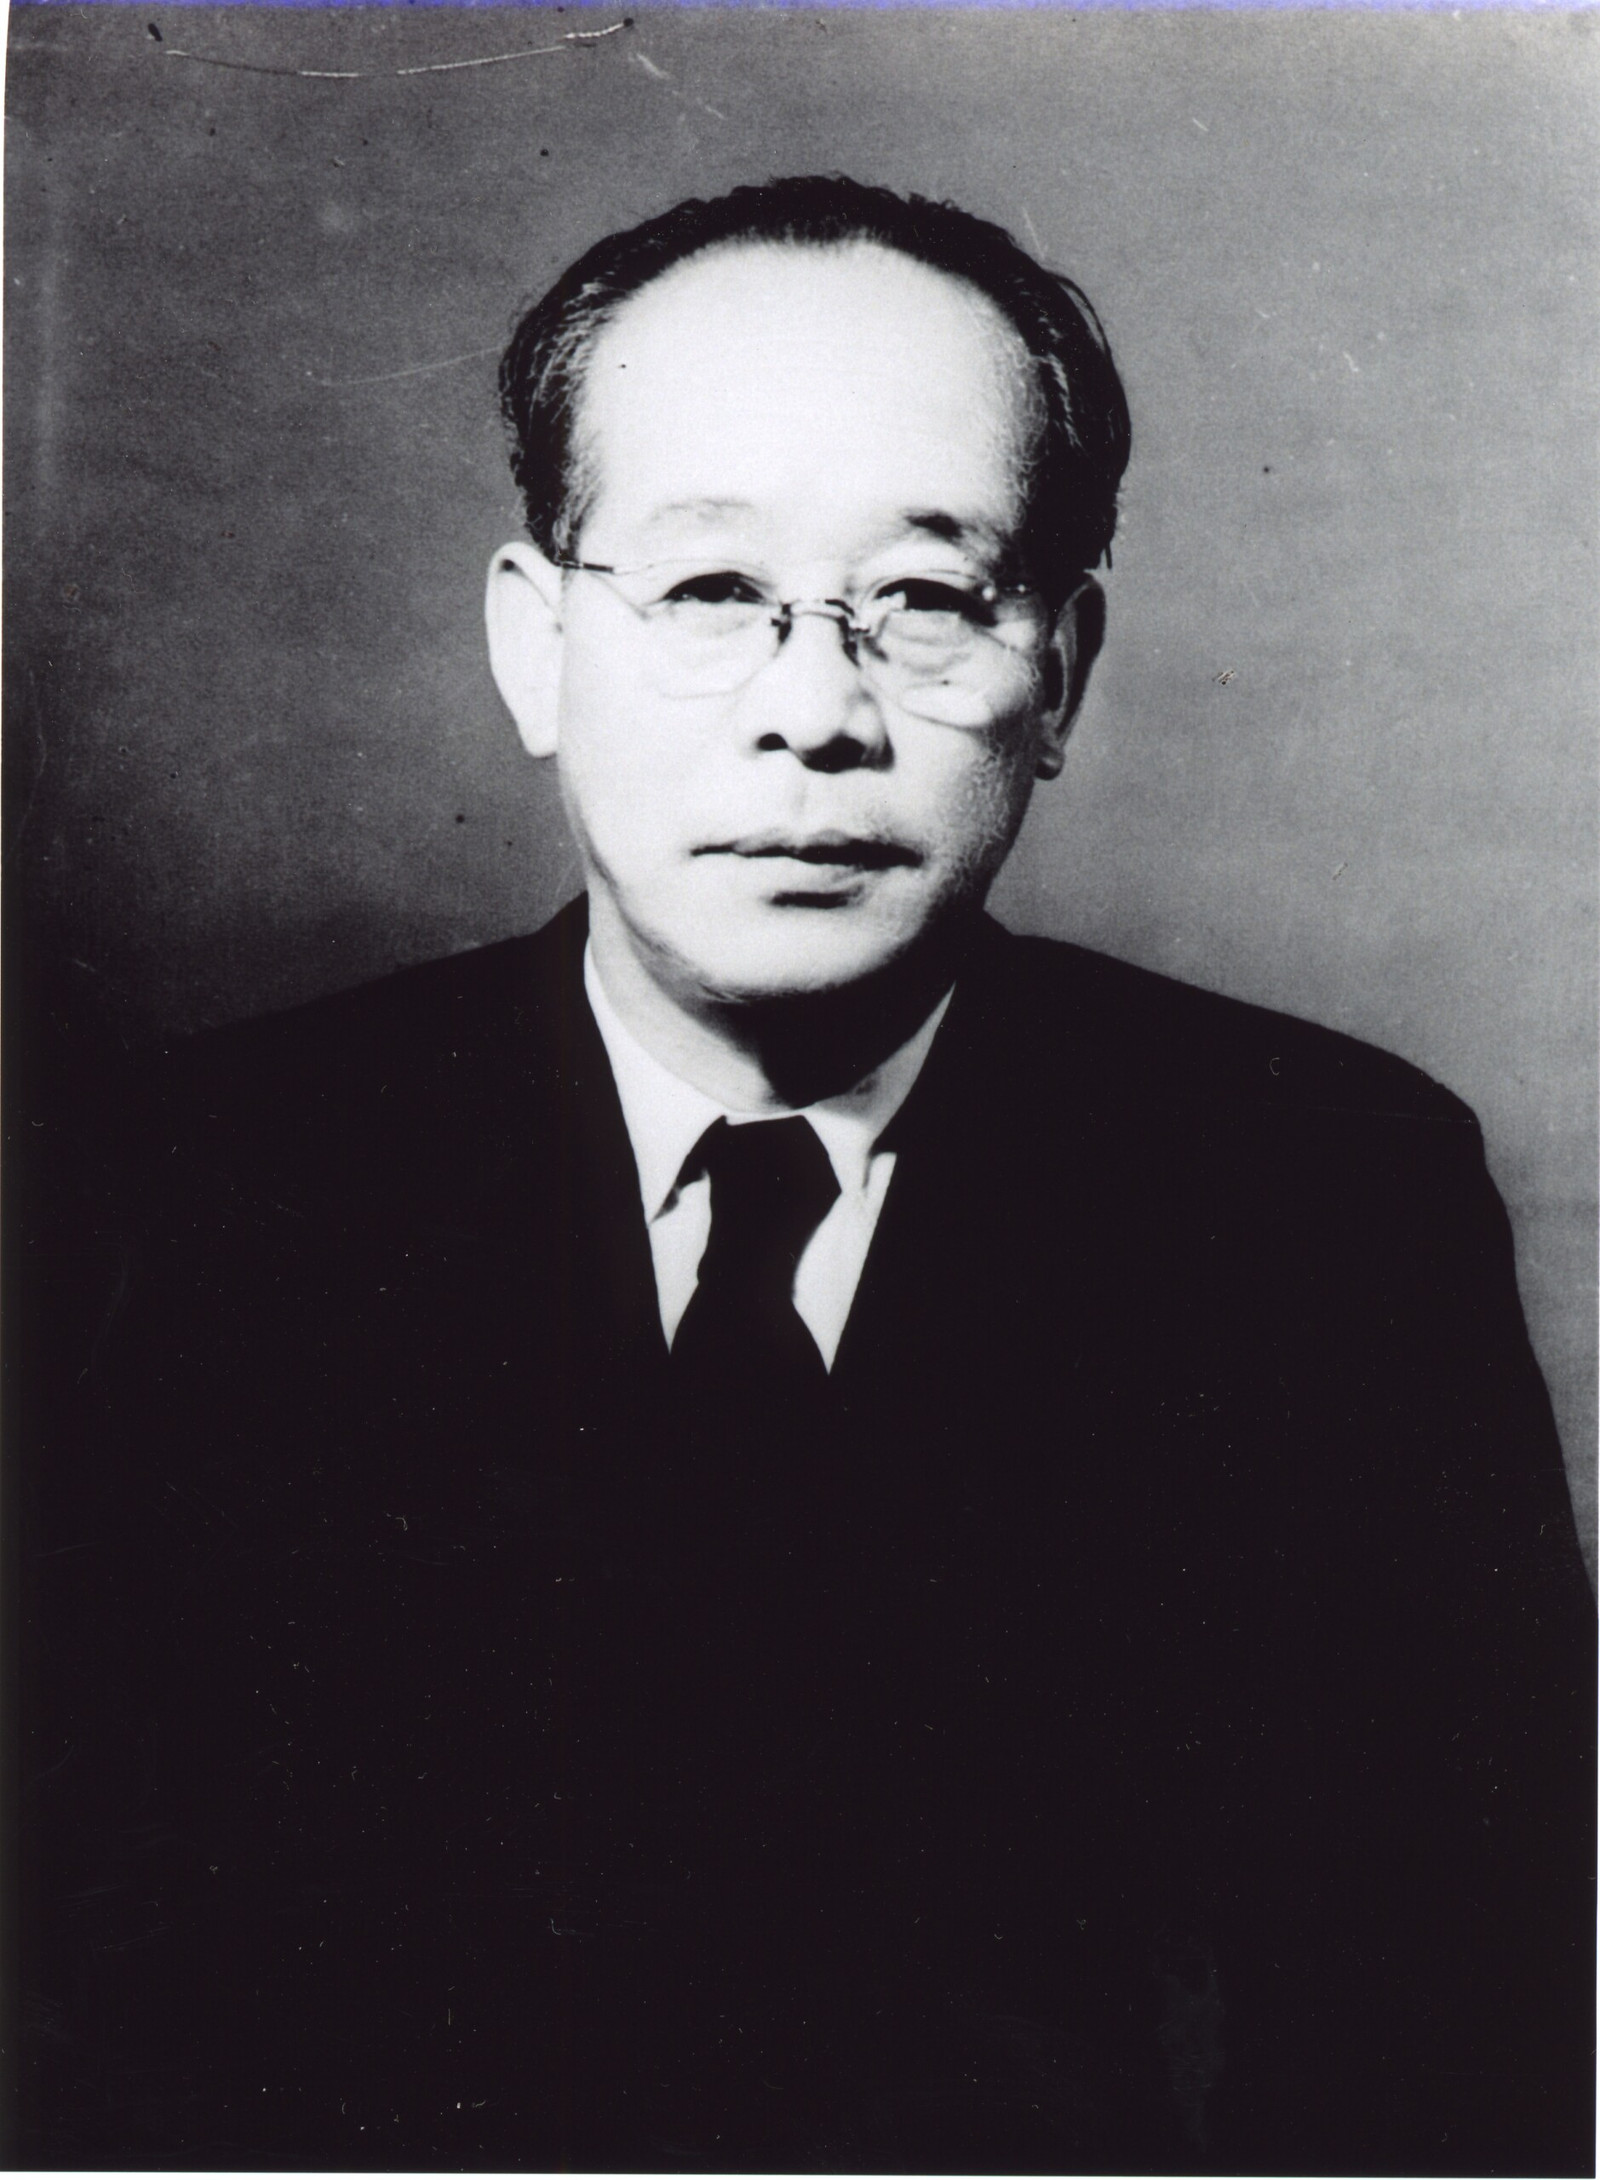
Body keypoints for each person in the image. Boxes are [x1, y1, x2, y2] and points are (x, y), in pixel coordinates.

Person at [23, 176, 1593, 2172]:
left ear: (1062, 672)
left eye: (927, 599)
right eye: (707, 591)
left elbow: (1457, 2039)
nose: (813, 712)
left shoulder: (1317, 1205)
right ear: (535, 647)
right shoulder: (192, 1194)